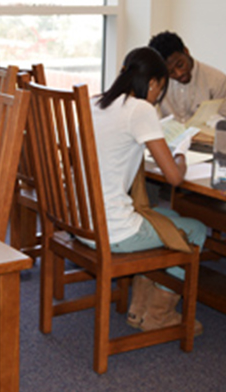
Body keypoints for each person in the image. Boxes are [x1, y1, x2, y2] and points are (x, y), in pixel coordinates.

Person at [90, 46, 207, 334]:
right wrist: (179, 154)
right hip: (114, 232)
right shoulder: (140, 109)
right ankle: (158, 315)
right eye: (160, 89)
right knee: (197, 229)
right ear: (153, 82)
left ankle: (138, 311)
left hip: (84, 224)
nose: (157, 97)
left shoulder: (95, 103)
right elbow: (174, 178)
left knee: (168, 216)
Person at [148, 31, 226, 123]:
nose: (179, 73)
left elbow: (222, 125)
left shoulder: (217, 80)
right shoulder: (158, 84)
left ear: (186, 51)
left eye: (180, 65)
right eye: (171, 72)